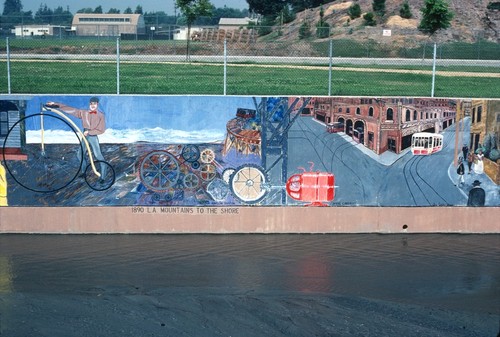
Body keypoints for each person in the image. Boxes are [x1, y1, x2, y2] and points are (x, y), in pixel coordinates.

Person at [45, 97, 107, 181]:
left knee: (98, 156)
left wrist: (90, 132)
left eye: (94, 104)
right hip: (84, 136)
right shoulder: (84, 112)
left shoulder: (101, 115)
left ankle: (103, 177)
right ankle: (83, 172)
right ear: (89, 104)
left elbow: (101, 130)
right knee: (80, 154)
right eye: (91, 104)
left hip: (93, 136)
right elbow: (71, 110)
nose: (92, 105)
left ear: (97, 104)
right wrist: (56, 105)